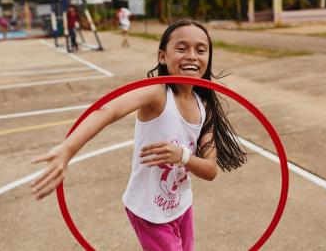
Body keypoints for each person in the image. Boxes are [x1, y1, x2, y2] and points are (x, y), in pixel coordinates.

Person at [30, 18, 246, 251]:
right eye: (182, 48)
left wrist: (182, 156)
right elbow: (108, 110)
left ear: (208, 59)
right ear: (162, 56)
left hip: (182, 205)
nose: (192, 55)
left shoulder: (204, 104)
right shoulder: (157, 93)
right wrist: (68, 149)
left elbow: (210, 170)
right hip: (148, 210)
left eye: (201, 50)